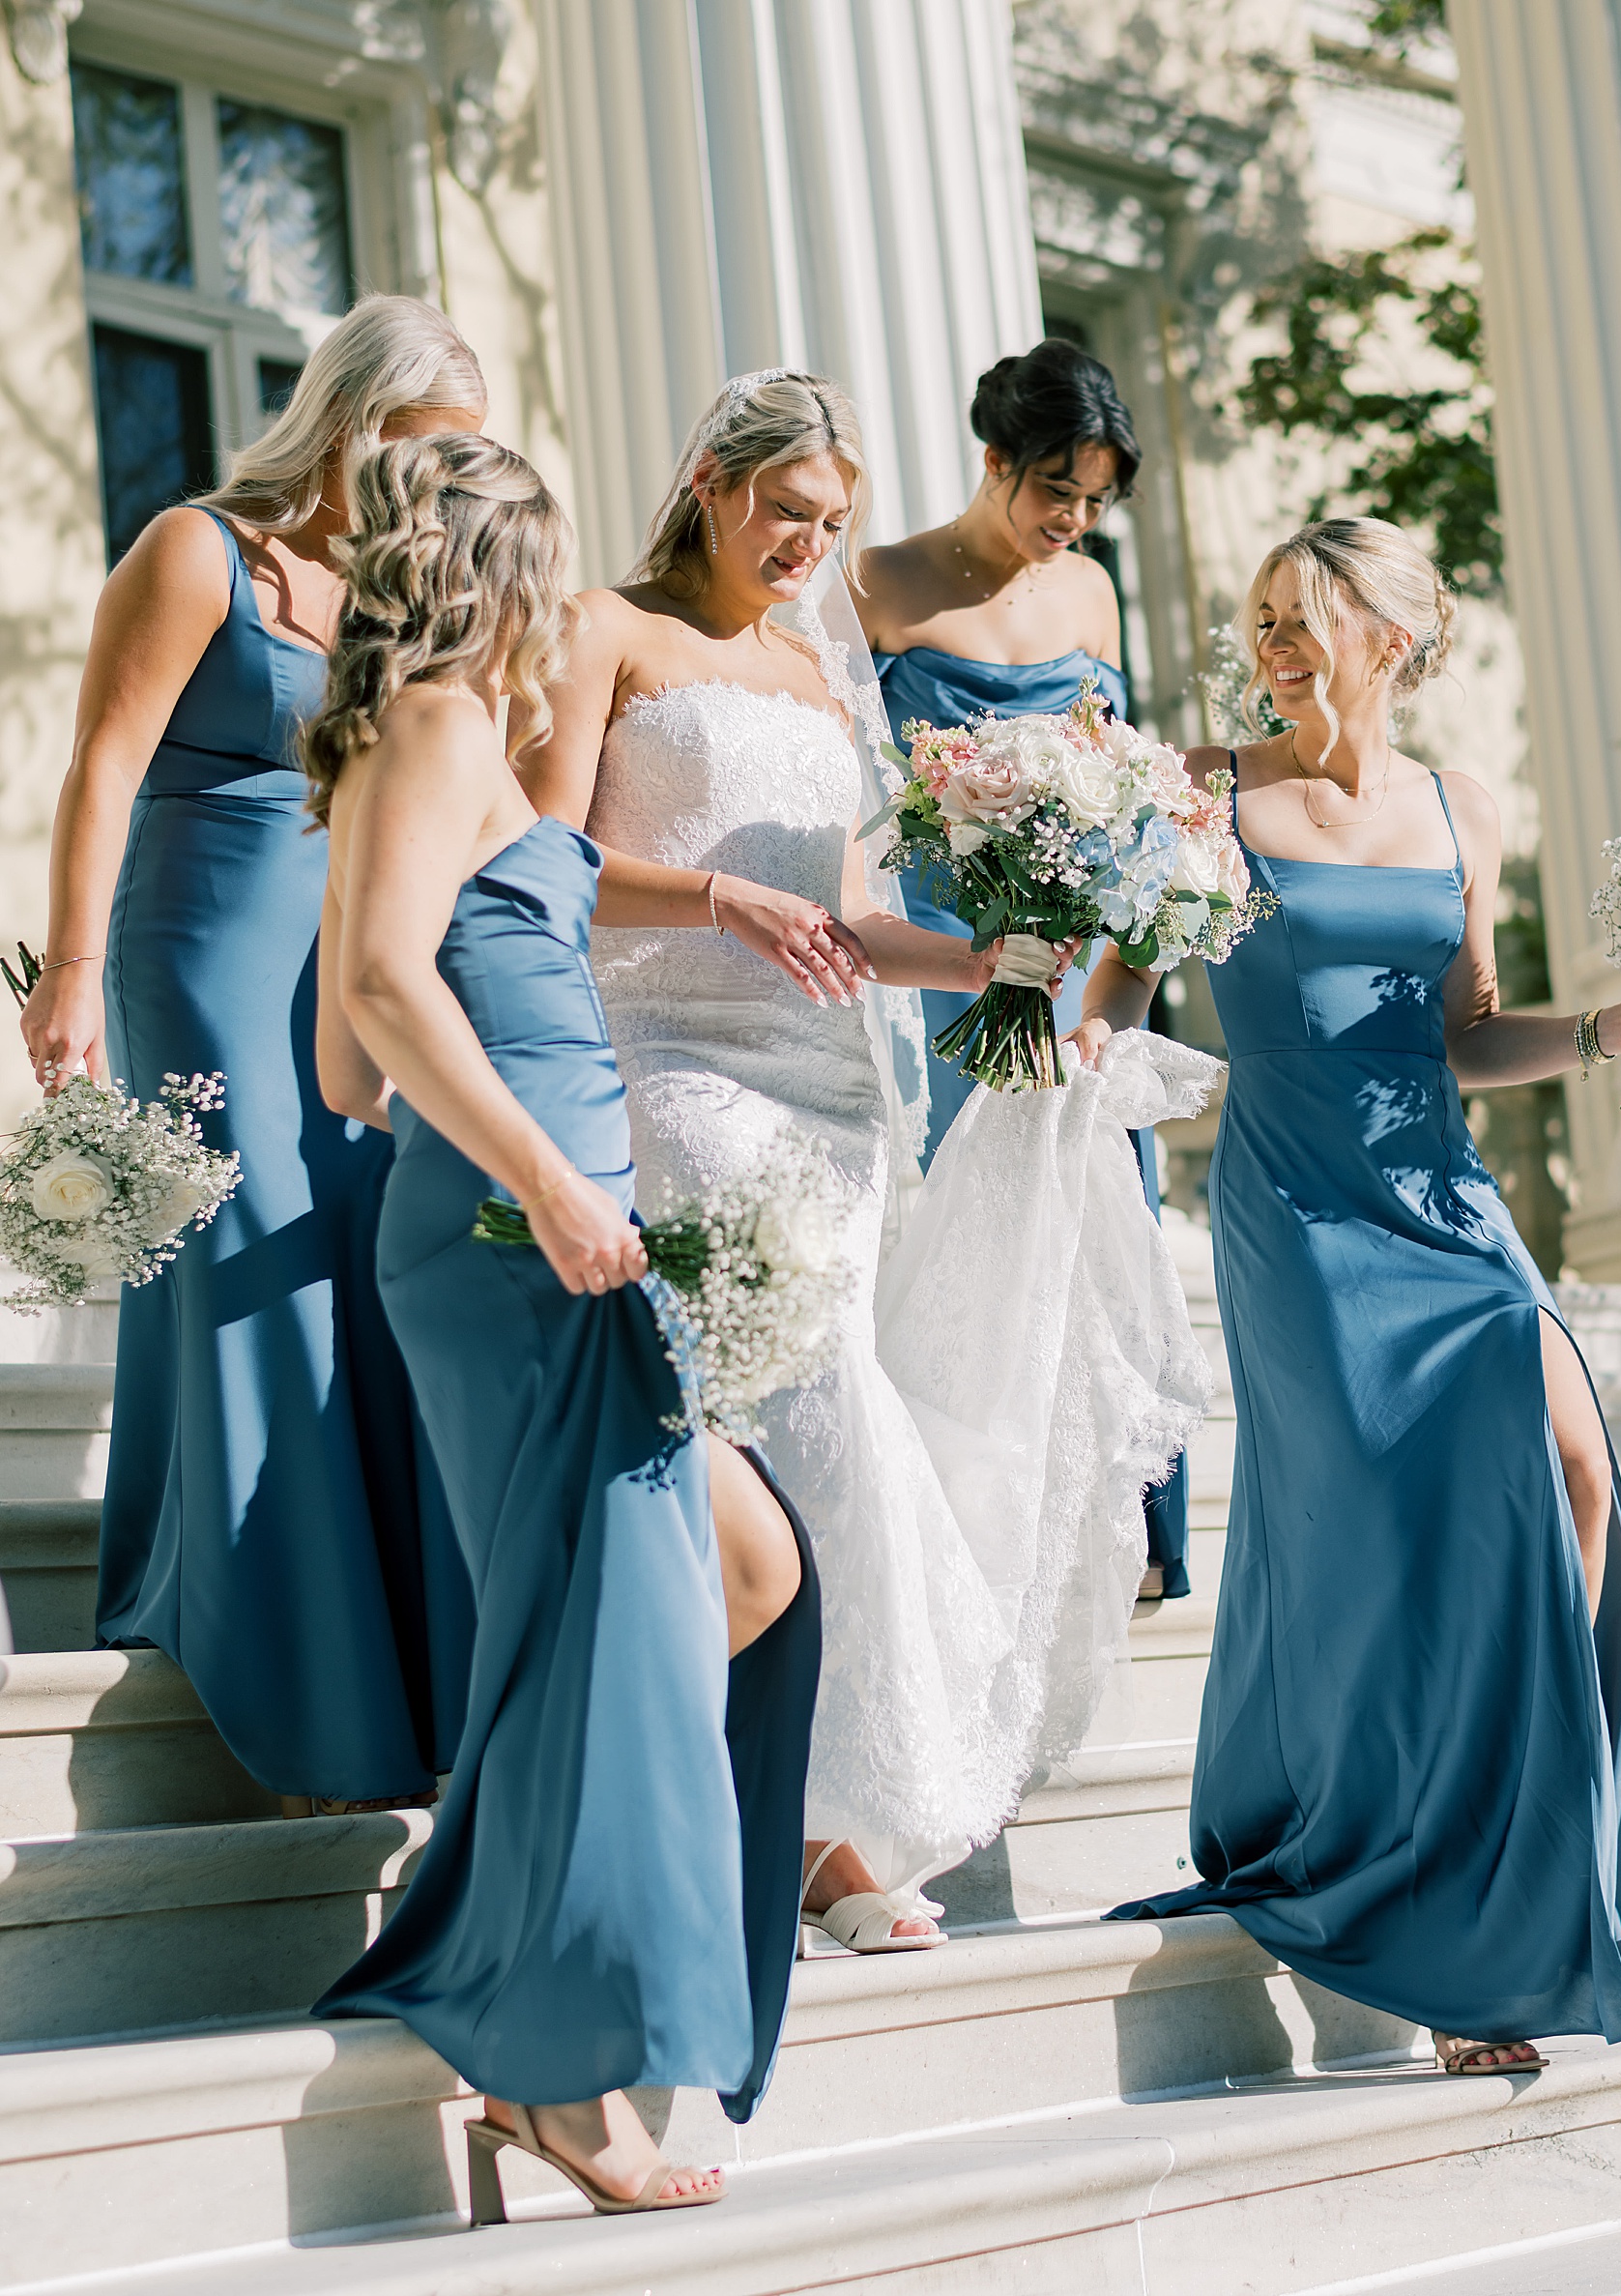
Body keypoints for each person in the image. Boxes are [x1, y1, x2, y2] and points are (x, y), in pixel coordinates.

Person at [520, 370, 1193, 1953]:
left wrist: (992, 966)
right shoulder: (606, 633)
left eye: (831, 526)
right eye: (784, 514)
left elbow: (840, 919)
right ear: (708, 482)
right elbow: (532, 859)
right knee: (827, 1415)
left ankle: (789, 1797)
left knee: (804, 1424)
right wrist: (712, 904)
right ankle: (820, 1835)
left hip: (832, 1093)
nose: (809, 548)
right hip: (672, 1069)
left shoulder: (826, 682)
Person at [1085, 517, 1621, 2069]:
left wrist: (1612, 1031)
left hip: (1441, 1196)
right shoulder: (1202, 790)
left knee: (1568, 1468)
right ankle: (1438, 1920)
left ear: (1395, 634)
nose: (1278, 646)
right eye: (1265, 621)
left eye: (1308, 619)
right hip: (1294, 1211)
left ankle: (1506, 1866)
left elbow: (1464, 1035)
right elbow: (1115, 1002)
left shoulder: (1461, 804)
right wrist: (1081, 1004)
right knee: (1373, 1535)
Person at [309, 430, 819, 2214]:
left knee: (737, 1574)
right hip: (526, 1235)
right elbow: (370, 996)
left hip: (557, 1224)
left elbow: (342, 1066)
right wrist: (536, 1172)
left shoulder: (428, 748)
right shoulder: (441, 728)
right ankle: (552, 2065)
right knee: (619, 1614)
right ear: (499, 571)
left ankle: (535, 1969)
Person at [19, 296, 483, 1811]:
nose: (435, 493)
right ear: (349, 422)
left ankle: (374, 1661)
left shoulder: (402, 597)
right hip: (200, 942)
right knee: (242, 1249)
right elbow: (101, 761)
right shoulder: (193, 549)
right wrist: (70, 973)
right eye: (420, 456)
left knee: (348, 1254)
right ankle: (280, 1677)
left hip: (348, 956)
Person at [859, 339, 1191, 1602]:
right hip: (961, 965)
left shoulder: (1093, 592)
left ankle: (1122, 1533)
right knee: (985, 1226)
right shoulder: (882, 584)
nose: (1075, 520)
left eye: (1096, 499)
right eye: (1058, 489)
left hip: (1082, 969)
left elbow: (1128, 779)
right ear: (995, 458)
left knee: (1108, 1222)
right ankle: (985, 1528)